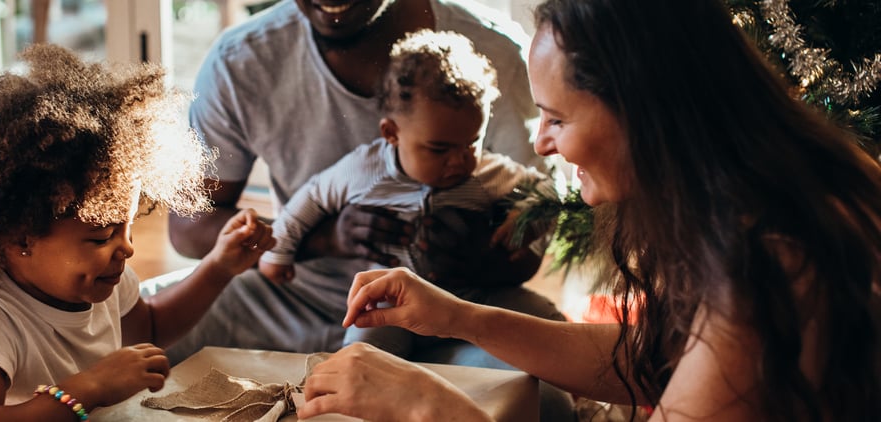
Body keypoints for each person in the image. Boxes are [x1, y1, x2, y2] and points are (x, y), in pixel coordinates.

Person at [296, 0, 881, 421]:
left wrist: (429, 405)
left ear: (640, 110)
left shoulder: (768, 259)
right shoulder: (780, 190)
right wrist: (458, 316)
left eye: (557, 118)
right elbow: (654, 358)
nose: (542, 143)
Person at [0, 44, 275, 420]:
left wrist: (219, 267)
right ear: (21, 238)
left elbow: (151, 328)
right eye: (100, 236)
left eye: (127, 228)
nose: (125, 248)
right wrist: (90, 388)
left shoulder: (105, 279)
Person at [166, 0, 549, 364]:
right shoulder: (243, 59)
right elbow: (188, 227)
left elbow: (536, 231)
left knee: (543, 398)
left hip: (464, 310)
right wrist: (322, 239)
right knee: (132, 335)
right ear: (390, 132)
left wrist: (474, 255)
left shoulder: (494, 55)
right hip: (296, 300)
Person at [258, 28, 562, 358]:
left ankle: (588, 383)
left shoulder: (486, 172)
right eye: (439, 149)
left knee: (547, 321)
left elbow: (547, 189)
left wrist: (528, 216)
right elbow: (312, 197)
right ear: (391, 133)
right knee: (365, 353)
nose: (459, 161)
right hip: (390, 298)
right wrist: (279, 250)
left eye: (471, 143)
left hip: (472, 293)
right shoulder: (364, 171)